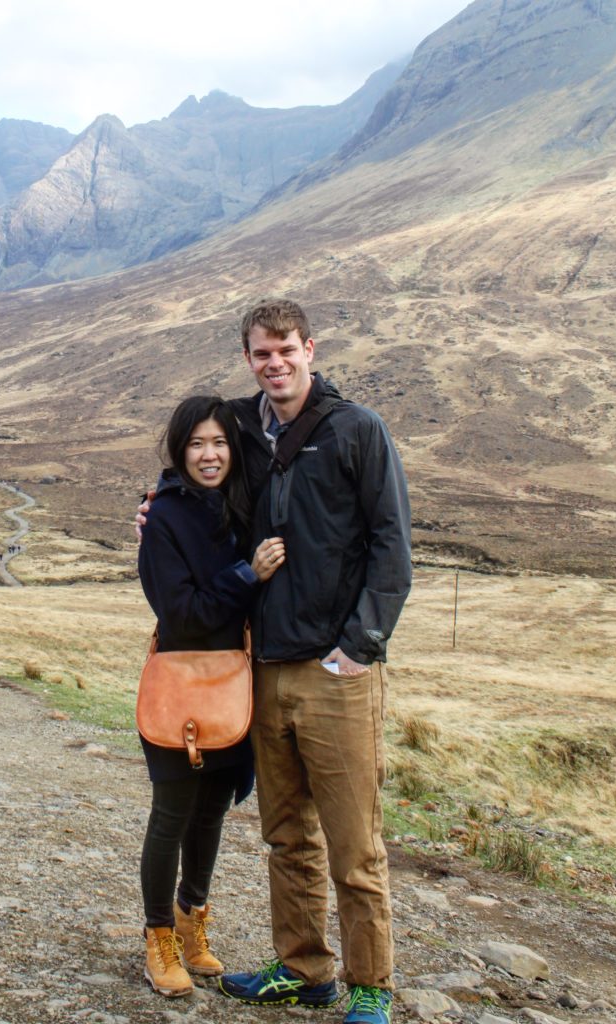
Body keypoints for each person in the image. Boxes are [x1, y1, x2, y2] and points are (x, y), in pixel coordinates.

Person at [138, 300, 411, 1024]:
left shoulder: (358, 431)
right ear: (250, 358)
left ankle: (370, 988)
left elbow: (392, 546)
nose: (275, 363)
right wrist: (157, 503)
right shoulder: (244, 430)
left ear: (310, 348)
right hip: (264, 670)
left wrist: (360, 648)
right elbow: (194, 459)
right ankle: (303, 969)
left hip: (336, 673)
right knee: (286, 833)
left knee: (354, 844)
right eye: (262, 353)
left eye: (286, 349)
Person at [137, 395, 287, 999]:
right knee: (172, 816)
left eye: (220, 442)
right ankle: (158, 939)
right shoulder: (164, 519)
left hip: (235, 690)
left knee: (211, 815)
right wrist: (247, 575)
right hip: (183, 690)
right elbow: (183, 612)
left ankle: (191, 921)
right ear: (180, 449)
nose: (209, 454)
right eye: (197, 443)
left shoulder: (243, 507)